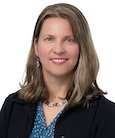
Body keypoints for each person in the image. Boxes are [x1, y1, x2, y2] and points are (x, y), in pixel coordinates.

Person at [0, 3, 115, 138]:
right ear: (36, 46)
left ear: (82, 47)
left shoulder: (106, 114)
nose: (58, 49)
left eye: (69, 40)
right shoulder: (14, 106)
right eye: (49, 39)